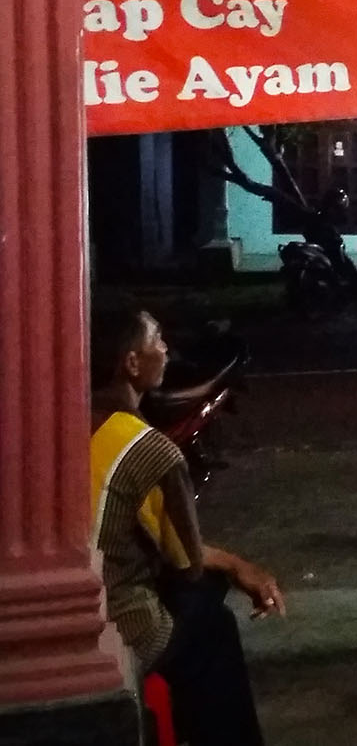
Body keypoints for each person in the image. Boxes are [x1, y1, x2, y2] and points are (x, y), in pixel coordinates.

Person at [90, 310, 284, 746]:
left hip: (85, 596)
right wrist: (237, 568)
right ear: (132, 363)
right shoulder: (148, 450)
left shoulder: (73, 423)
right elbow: (186, 564)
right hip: (117, 618)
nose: (166, 350)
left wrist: (233, 565)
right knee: (213, 626)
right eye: (157, 340)